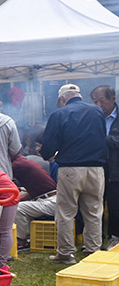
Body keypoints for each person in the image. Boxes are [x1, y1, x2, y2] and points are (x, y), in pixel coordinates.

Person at [41, 84, 107, 263]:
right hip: (96, 168)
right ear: (79, 95)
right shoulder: (97, 111)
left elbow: (48, 145)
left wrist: (46, 154)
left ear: (63, 99)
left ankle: (66, 253)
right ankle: (93, 251)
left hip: (71, 168)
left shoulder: (59, 114)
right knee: (93, 211)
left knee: (66, 212)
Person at [91, 85, 119, 250]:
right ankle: (96, 238)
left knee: (115, 206)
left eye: (102, 101)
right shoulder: (94, 117)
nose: (99, 105)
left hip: (115, 168)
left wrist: (104, 139)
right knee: (95, 204)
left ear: (113, 99)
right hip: (97, 166)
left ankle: (114, 237)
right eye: (95, 101)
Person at [11, 152, 57, 250]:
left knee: (17, 208)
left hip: (50, 201)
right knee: (17, 202)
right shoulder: (24, 162)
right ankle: (26, 234)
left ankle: (21, 241)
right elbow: (36, 192)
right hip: (47, 198)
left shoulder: (17, 165)